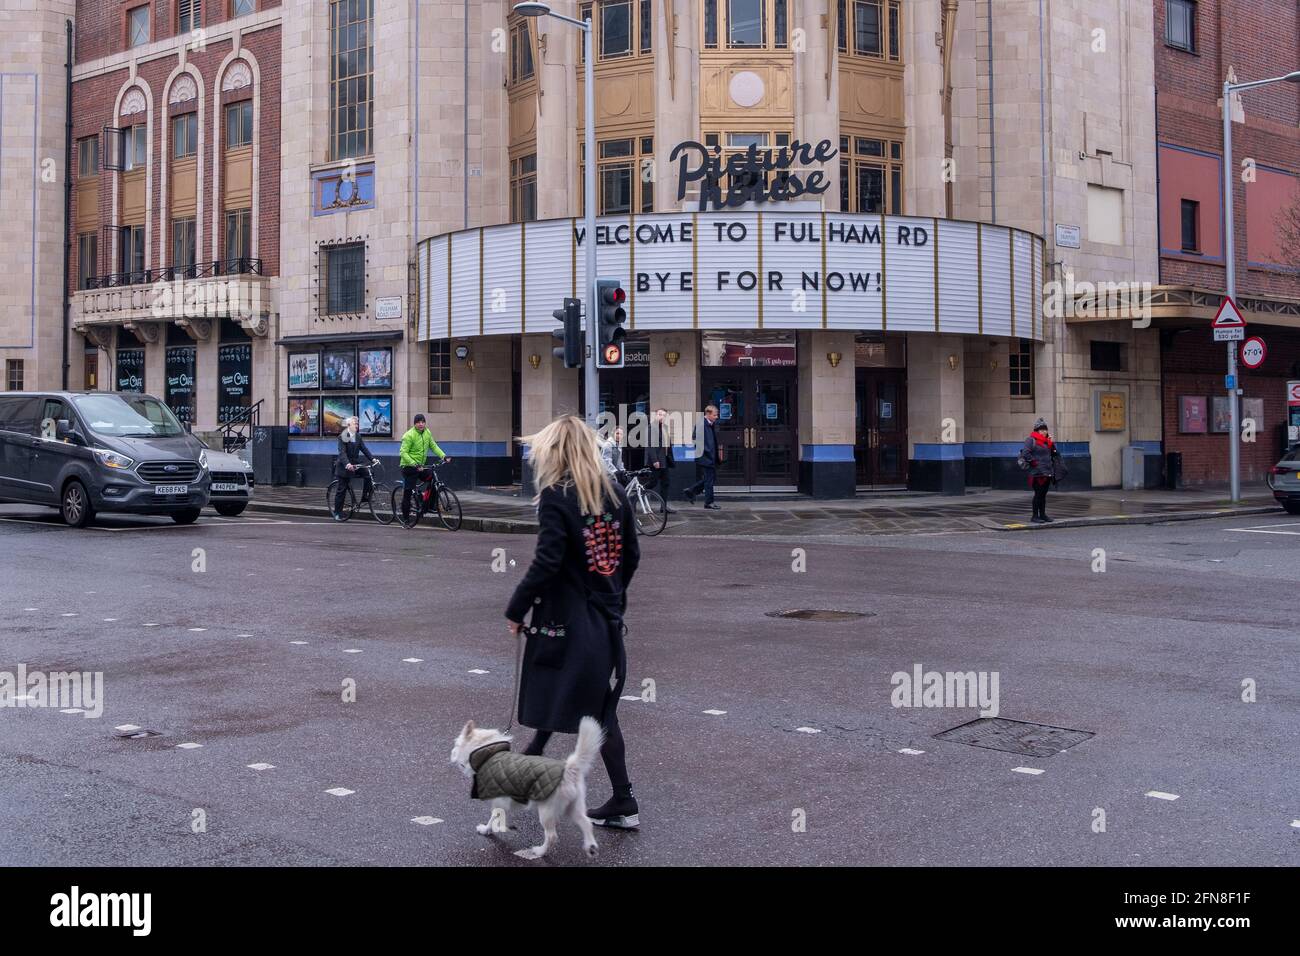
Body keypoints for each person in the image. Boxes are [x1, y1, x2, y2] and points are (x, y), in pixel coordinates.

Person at [506, 415, 642, 829]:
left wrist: (516, 608)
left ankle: (524, 778)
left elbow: (547, 561)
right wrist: (613, 597)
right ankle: (622, 801)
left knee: (566, 694)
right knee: (595, 707)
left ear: (555, 453)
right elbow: (631, 556)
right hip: (605, 620)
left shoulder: (556, 496)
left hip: (565, 621)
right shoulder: (617, 492)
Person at [399, 413, 448, 521]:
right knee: (407, 493)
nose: (421, 424)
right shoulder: (409, 435)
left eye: (423, 422)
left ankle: (428, 505)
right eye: (418, 422)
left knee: (433, 479)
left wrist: (443, 456)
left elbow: (433, 446)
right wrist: (413, 463)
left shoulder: (427, 432)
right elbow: (403, 453)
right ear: (414, 424)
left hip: (421, 467)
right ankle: (405, 519)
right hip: (408, 467)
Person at [1020, 417, 1067, 523]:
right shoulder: (1031, 440)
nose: (1044, 432)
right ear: (1037, 431)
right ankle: (1034, 516)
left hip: (1047, 472)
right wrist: (1034, 462)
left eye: (1045, 429)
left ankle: (1043, 515)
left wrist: (1051, 443)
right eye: (1041, 430)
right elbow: (1025, 453)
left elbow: (1054, 453)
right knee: (1038, 494)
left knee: (1043, 494)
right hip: (1037, 473)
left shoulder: (1047, 442)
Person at [332, 416, 378, 520]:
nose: (356, 426)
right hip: (344, 466)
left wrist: (373, 459)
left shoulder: (357, 436)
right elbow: (342, 453)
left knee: (368, 472)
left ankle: (366, 497)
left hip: (355, 464)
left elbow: (364, 449)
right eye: (354, 424)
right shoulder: (344, 436)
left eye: (357, 424)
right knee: (342, 490)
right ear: (348, 425)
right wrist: (347, 464)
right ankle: (337, 513)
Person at [683, 404, 722, 510]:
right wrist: (708, 452)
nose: (716, 417)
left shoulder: (710, 424)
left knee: (710, 478)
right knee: (709, 480)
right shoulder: (701, 424)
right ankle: (709, 502)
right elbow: (696, 440)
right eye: (715, 415)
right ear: (708, 414)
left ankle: (691, 491)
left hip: (710, 456)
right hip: (705, 457)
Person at [646, 408, 677, 514]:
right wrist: (655, 460)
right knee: (652, 483)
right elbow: (650, 445)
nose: (661, 417)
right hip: (657, 461)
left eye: (664, 415)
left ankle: (663, 507)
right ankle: (636, 497)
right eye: (659, 414)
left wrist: (669, 458)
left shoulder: (664, 428)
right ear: (655, 415)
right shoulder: (652, 428)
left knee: (666, 483)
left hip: (665, 460)